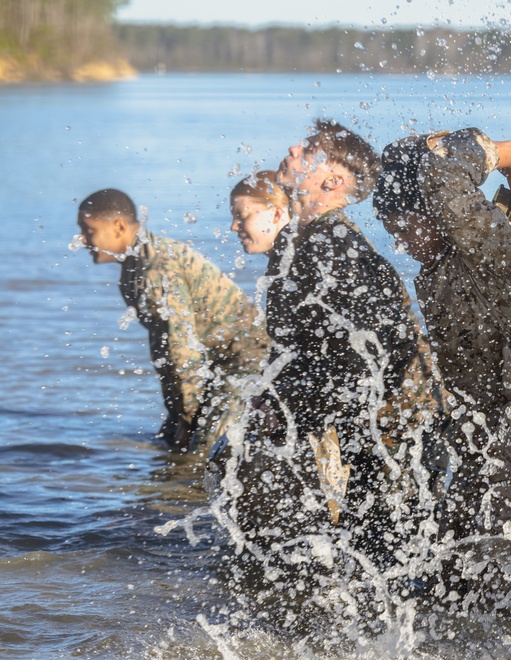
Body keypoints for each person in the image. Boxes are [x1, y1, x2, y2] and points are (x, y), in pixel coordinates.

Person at [373, 128, 511, 612]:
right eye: (393, 235)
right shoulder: (445, 263)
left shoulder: (489, 248)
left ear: (431, 214)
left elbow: (444, 174)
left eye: (405, 228)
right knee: (446, 598)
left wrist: (505, 154)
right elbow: (414, 163)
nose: (403, 244)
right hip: (485, 456)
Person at [236, 123, 445, 576]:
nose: (293, 147)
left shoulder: (336, 250)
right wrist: (273, 395)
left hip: (396, 437)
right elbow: (301, 345)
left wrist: (293, 412)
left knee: (383, 573)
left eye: (309, 149)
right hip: (365, 432)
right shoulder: (297, 242)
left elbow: (364, 368)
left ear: (332, 183)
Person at [76, 188, 269, 452]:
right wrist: (179, 412)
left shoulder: (155, 270)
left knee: (204, 451)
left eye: (89, 230)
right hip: (214, 362)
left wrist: (188, 419)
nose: (83, 240)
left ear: (119, 226)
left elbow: (179, 349)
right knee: (168, 442)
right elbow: (165, 349)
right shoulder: (135, 265)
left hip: (247, 362)